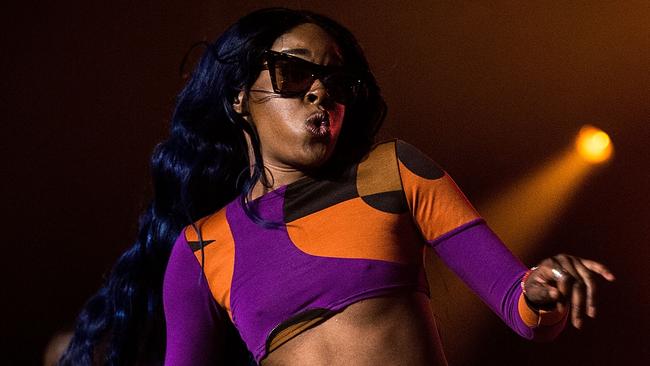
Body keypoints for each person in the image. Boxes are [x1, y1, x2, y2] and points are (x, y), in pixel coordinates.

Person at [61, 7, 615, 366]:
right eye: (294, 73)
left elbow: (520, 305)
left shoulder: (393, 172)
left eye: (336, 81)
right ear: (238, 97)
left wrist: (546, 288)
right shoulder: (201, 248)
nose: (319, 94)